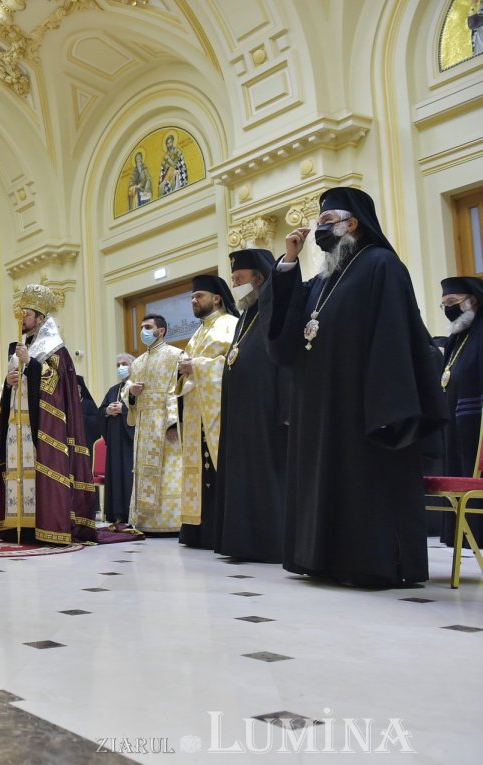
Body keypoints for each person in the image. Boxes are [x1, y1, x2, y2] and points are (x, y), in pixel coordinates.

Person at [261, 187, 445, 586]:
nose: (320, 229)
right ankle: (323, 559)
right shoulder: (323, 280)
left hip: (363, 404)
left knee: (363, 485)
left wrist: (386, 406)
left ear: (353, 223)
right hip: (319, 407)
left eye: (327, 222)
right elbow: (287, 339)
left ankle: (373, 564)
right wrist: (288, 264)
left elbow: (397, 337)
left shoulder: (381, 265)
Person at [0, 285, 98, 545]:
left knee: (37, 472)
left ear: (40, 317)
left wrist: (31, 364)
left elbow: (55, 385)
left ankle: (44, 524)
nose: (22, 319)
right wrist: (8, 381)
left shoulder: (54, 348)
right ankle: (18, 524)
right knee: (17, 472)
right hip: (17, 423)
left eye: (26, 314)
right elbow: (13, 385)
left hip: (40, 426)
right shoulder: (20, 347)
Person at [213, 250, 290, 563]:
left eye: (239, 278)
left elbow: (285, 361)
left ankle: (271, 542)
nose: (235, 285)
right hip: (242, 414)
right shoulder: (245, 316)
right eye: (233, 279)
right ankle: (243, 541)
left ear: (259, 279)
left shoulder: (274, 310)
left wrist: (286, 410)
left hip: (268, 412)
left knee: (268, 476)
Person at [176, 275, 239, 548]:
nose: (193, 301)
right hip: (195, 412)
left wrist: (197, 366)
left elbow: (232, 364)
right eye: (192, 297)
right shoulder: (199, 332)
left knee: (217, 467)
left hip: (217, 411)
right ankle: (199, 531)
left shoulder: (230, 325)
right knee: (199, 471)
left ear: (216, 298)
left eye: (198, 296)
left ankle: (220, 529)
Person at [123, 315, 184, 534]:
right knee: (142, 472)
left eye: (148, 327)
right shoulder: (138, 362)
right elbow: (126, 388)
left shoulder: (175, 356)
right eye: (141, 327)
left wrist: (172, 422)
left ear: (162, 331)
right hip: (144, 422)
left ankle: (170, 521)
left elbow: (177, 390)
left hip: (163, 422)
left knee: (169, 469)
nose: (143, 331)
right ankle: (145, 522)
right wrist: (131, 393)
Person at [435, 276, 483, 546]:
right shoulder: (456, 338)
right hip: (455, 423)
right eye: (444, 305)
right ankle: (463, 537)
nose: (448, 309)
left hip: (476, 422)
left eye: (452, 302)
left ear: (473, 301)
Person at [100, 354, 136, 531]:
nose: (120, 367)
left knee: (129, 475)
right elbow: (100, 412)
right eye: (118, 365)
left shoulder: (137, 388)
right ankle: (117, 514)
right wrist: (107, 411)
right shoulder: (113, 390)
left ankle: (132, 514)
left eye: (124, 364)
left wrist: (124, 409)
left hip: (130, 442)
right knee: (116, 475)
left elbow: (143, 410)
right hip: (115, 442)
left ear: (133, 366)